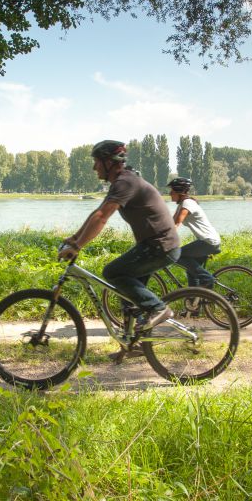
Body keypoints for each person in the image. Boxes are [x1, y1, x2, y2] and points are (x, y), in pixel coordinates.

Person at [59, 140, 181, 355]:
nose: (94, 167)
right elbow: (97, 213)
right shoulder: (121, 182)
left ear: (109, 162)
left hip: (160, 246)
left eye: (97, 161)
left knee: (112, 272)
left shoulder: (125, 182)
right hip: (154, 245)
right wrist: (75, 238)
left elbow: (102, 217)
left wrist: (78, 246)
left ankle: (159, 309)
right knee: (128, 296)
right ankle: (133, 345)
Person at [168, 177, 221, 289]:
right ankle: (194, 297)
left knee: (178, 255)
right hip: (206, 241)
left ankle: (208, 279)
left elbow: (176, 224)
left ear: (179, 192)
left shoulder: (187, 203)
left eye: (172, 191)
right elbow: (170, 224)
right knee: (192, 271)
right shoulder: (182, 204)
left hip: (208, 241)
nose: (170, 193)